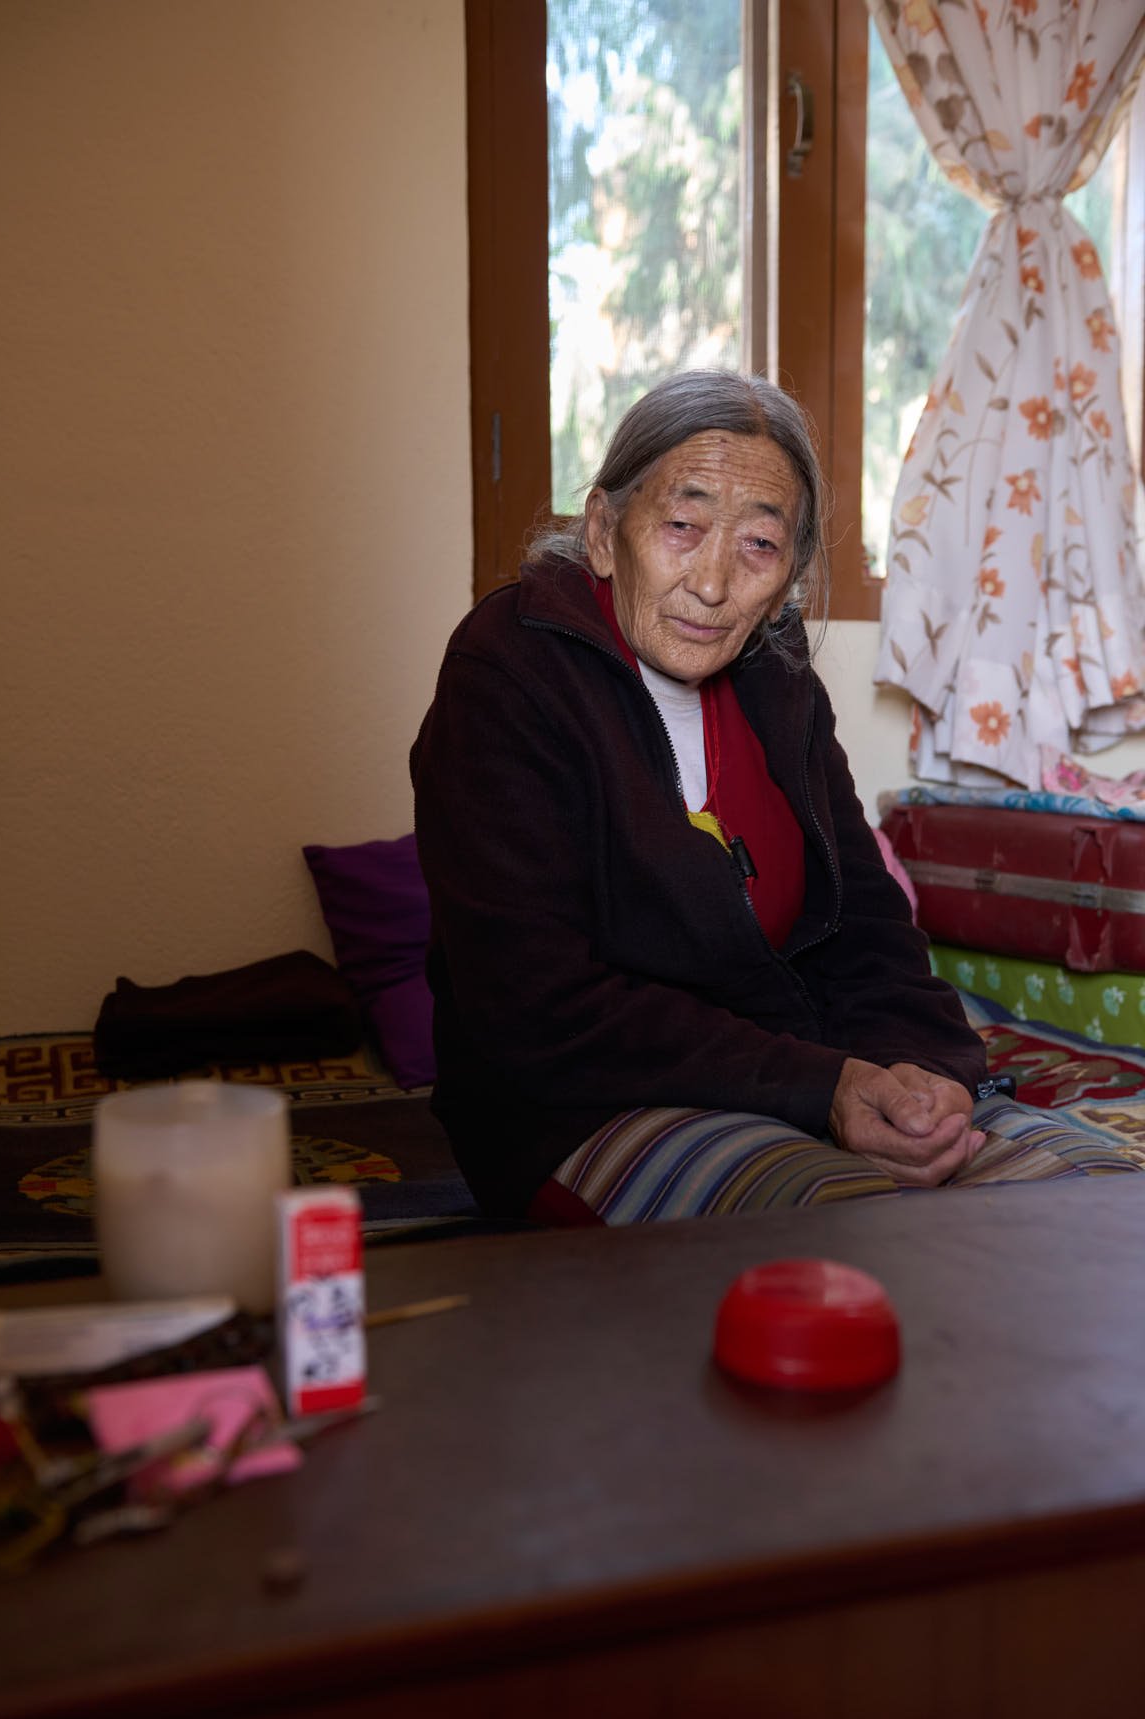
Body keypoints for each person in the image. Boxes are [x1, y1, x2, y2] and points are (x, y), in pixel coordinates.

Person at [411, 369, 1137, 1224]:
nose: (714, 584)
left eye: (759, 544)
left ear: (791, 566)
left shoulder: (777, 679)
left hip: (801, 1069)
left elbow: (865, 923)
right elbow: (532, 1005)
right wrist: (824, 1087)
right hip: (578, 1108)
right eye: (682, 526)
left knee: (1099, 1197)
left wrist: (924, 1070)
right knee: (856, 1226)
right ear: (604, 531)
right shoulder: (510, 670)